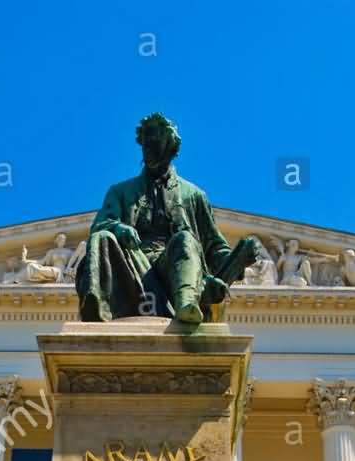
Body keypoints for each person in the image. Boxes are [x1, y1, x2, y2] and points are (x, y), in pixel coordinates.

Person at [75, 112, 257, 325]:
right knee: (103, 236)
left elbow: (214, 245)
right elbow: (100, 225)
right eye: (145, 144)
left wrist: (235, 261)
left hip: (173, 266)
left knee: (185, 239)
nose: (148, 150)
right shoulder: (120, 191)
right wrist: (119, 229)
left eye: (155, 143)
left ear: (170, 147)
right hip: (132, 262)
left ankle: (187, 304)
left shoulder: (193, 194)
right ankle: (95, 308)